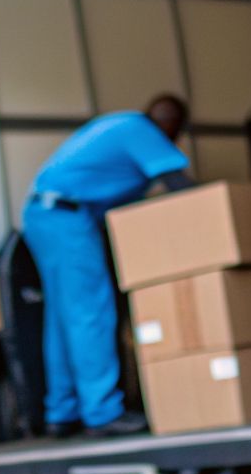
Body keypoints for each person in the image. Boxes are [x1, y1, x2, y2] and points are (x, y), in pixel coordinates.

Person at [23, 94, 195, 439]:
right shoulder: (140, 130)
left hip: (44, 213)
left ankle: (62, 411)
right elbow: (180, 185)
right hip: (68, 219)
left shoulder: (120, 125)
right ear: (170, 127)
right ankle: (102, 413)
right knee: (90, 313)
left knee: (62, 318)